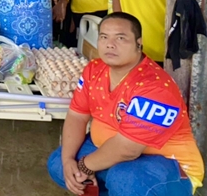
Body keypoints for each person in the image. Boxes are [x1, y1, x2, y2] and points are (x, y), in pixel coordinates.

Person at [47, 12, 204, 196]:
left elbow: (127, 149)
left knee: (124, 180)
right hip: (111, 151)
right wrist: (68, 161)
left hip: (166, 162)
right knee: (59, 164)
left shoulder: (154, 86)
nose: (110, 44)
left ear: (139, 43)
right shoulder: (94, 70)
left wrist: (84, 166)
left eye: (120, 38)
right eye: (104, 37)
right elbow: (77, 115)